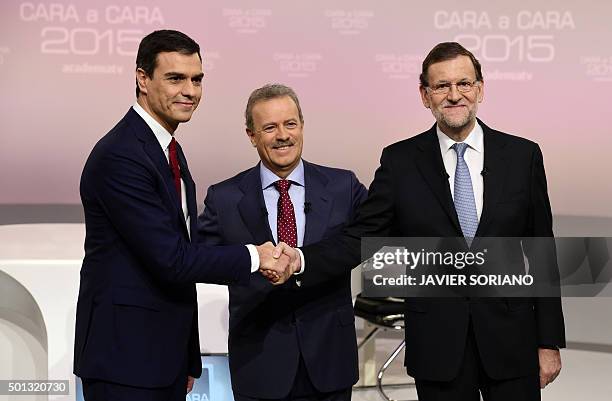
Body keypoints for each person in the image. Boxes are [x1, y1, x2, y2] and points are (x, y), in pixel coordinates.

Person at [277, 42, 566, 401]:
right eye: (441, 86)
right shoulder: (399, 162)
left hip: (512, 341)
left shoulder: (523, 156)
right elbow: (363, 236)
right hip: (439, 346)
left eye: (464, 83)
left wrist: (548, 341)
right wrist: (303, 259)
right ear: (424, 95)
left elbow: (542, 251)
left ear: (480, 89)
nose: (454, 95)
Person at [73, 30, 289, 401]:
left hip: (162, 357)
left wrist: (186, 356)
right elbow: (173, 259)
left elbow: (178, 262)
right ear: (142, 78)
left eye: (197, 79)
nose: (190, 90)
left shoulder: (168, 149)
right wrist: (257, 255)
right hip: (125, 360)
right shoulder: (121, 156)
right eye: (176, 78)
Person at [198, 84, 367, 401]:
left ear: (302, 126)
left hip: (329, 361)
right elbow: (199, 260)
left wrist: (302, 260)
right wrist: (252, 258)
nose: (282, 135)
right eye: (269, 127)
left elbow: (370, 237)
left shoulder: (344, 186)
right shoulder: (224, 198)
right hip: (259, 364)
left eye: (290, 124)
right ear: (251, 135)